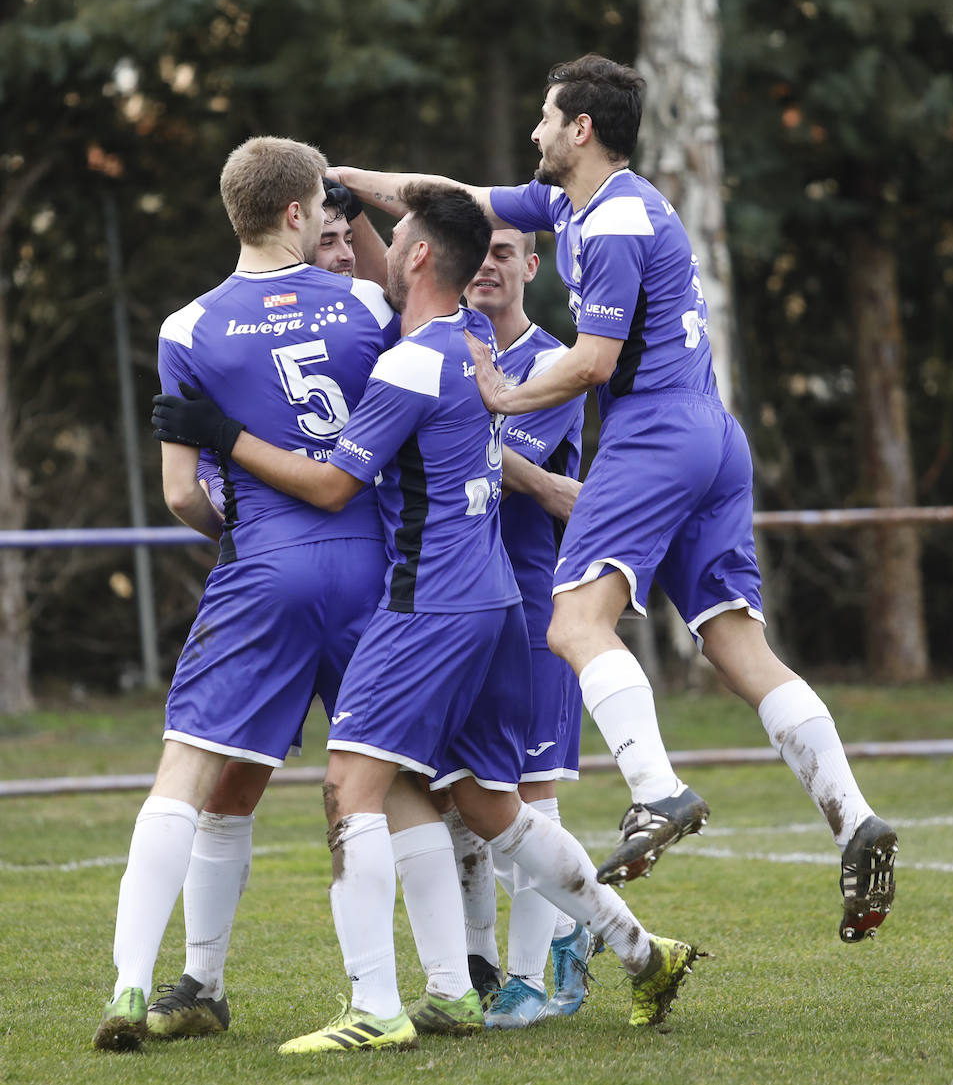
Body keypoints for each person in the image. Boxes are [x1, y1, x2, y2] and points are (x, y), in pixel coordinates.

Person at [329, 53, 897, 943]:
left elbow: (593, 364)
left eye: (547, 118)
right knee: (736, 641)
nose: (535, 134)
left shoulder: (619, 220)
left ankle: (655, 790)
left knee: (571, 623)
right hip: (712, 434)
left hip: (657, 433)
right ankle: (854, 815)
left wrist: (502, 395)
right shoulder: (574, 204)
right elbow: (451, 195)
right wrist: (346, 180)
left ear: (581, 129)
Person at [154, 183, 702, 1053]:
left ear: (414, 258)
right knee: (488, 803)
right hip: (487, 595)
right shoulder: (474, 339)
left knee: (350, 786)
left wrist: (222, 431)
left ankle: (374, 1004)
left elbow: (334, 484)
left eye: (389, 239)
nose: (361, 253)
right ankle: (642, 949)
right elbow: (410, 285)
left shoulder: (411, 363)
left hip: (428, 603)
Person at [92, 136, 400, 1052]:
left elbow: (183, 492)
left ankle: (130, 984)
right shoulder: (367, 301)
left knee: (193, 774)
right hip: (375, 564)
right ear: (303, 213)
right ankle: (450, 979)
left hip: (265, 564)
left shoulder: (187, 327)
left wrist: (254, 535)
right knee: (404, 787)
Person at [436, 228, 598, 1028]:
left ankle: (536, 973)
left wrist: (466, 435)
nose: (488, 265)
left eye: (505, 251)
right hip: (449, 607)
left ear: (533, 267)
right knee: (457, 798)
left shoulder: (555, 363)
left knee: (530, 794)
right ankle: (485, 960)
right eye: (477, 253)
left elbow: (487, 453)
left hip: (532, 605)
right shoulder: (438, 346)